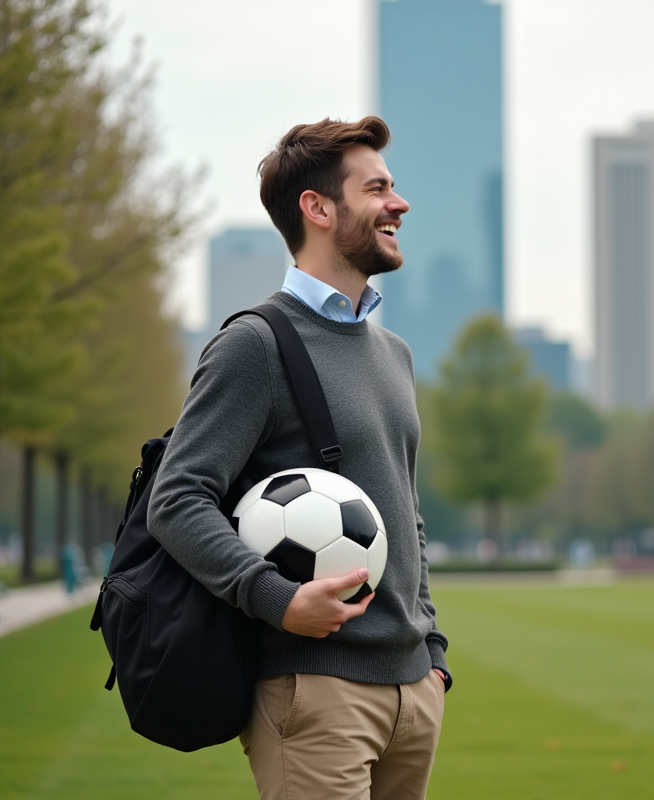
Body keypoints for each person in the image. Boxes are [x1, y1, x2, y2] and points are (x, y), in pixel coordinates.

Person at [148, 116, 449, 800]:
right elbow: (177, 497)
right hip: (316, 694)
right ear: (317, 208)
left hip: (413, 692)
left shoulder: (393, 353)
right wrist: (276, 599)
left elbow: (405, 512)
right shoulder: (255, 345)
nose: (398, 204)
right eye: (377, 188)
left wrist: (430, 653)